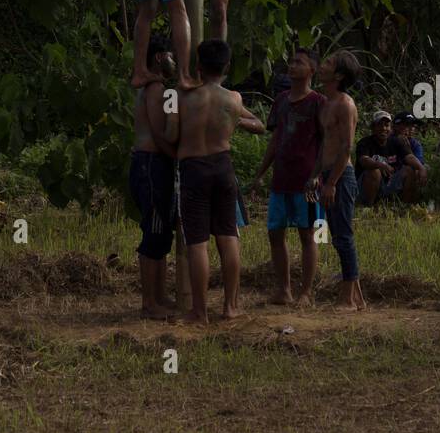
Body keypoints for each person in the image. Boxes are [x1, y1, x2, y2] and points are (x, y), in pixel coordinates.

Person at [166, 39, 265, 325]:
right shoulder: (234, 99)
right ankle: (230, 306)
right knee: (228, 234)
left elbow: (171, 136)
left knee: (197, 241)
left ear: (197, 66)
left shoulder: (178, 96)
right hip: (223, 167)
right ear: (227, 67)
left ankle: (199, 311)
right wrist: (234, 121)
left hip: (193, 167)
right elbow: (258, 124)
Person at [250, 48, 325, 306]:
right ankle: (284, 289)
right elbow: (275, 139)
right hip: (281, 178)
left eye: (299, 62)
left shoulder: (318, 102)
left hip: (306, 179)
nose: (292, 66)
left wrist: (318, 175)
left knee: (308, 233)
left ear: (312, 70)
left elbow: (326, 143)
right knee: (275, 233)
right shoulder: (281, 100)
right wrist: (261, 172)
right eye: (292, 62)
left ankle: (306, 291)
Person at [128, 34, 177, 320]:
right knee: (154, 230)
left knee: (160, 232)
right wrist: (179, 155)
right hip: (151, 164)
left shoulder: (151, 87)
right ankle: (149, 302)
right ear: (159, 57)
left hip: (149, 163)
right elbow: (160, 134)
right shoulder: (157, 88)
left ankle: (159, 295)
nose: (174, 60)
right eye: (171, 55)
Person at [316, 51, 365, 311]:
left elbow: (346, 147)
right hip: (327, 175)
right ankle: (356, 297)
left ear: (338, 75)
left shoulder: (345, 104)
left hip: (341, 176)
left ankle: (347, 298)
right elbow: (325, 145)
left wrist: (331, 182)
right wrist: (316, 175)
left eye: (327, 62)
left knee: (343, 236)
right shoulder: (326, 103)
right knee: (336, 235)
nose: (321, 65)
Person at [355, 112, 426, 206]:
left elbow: (409, 156)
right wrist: (381, 165)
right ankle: (368, 207)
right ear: (373, 128)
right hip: (365, 186)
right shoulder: (365, 142)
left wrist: (421, 168)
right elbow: (364, 160)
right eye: (379, 125)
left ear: (390, 128)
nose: (383, 128)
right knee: (374, 171)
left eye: (386, 125)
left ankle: (405, 207)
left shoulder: (396, 141)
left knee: (409, 170)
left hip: (388, 184)